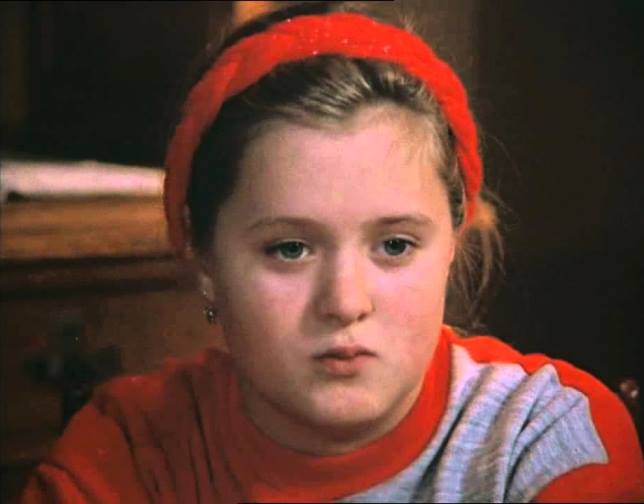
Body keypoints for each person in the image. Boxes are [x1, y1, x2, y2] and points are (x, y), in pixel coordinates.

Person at [20, 2, 644, 502]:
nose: (345, 302)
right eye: (290, 249)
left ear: (453, 242)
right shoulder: (125, 454)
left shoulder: (548, 440)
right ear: (204, 260)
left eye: (395, 245)